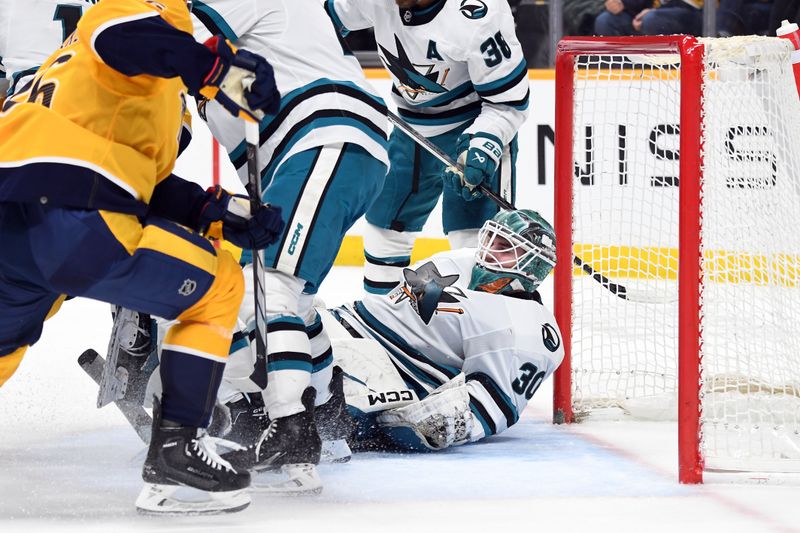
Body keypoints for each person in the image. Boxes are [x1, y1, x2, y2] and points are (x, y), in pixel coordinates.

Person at [0, 0, 283, 515]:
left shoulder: (91, 75)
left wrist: (219, 214)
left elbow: (140, 183)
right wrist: (216, 67)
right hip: (72, 219)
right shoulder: (131, 18)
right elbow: (122, 34)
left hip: (13, 217)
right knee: (219, 285)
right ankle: (177, 452)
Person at [187, 0, 390, 494]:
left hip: (324, 138)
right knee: (284, 298)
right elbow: (226, 81)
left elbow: (174, 49)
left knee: (270, 288)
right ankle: (325, 415)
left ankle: (291, 428)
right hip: (319, 148)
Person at [223, 209, 564, 453]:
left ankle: (234, 416)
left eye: (505, 249)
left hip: (388, 372)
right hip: (347, 322)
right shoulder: (459, 260)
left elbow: (492, 405)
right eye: (491, 238)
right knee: (251, 312)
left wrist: (437, 421)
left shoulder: (529, 330)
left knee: (280, 385)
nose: (489, 250)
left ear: (532, 267)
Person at [325, 0, 529, 295]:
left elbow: (509, 102)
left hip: (471, 127)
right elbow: (316, 21)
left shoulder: (478, 14)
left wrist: (485, 144)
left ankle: (486, 327)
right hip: (410, 129)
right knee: (385, 229)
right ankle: (384, 319)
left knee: (473, 241)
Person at [633, 0, 704, 35]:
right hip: (660, 10)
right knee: (624, 19)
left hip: (696, 12)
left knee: (650, 20)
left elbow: (685, 4)